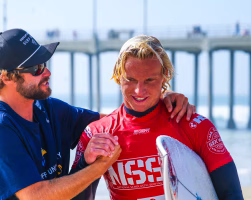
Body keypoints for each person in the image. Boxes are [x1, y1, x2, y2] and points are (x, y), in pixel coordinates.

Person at [0, 29, 195, 200]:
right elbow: (37, 196)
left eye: (45, 63)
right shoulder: (3, 128)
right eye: (36, 69)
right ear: (6, 77)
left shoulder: (49, 110)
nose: (47, 72)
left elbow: (123, 122)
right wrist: (97, 167)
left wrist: (160, 96)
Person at [72, 35, 244, 199]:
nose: (139, 90)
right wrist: (85, 165)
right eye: (130, 79)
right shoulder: (97, 134)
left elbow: (232, 194)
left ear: (165, 76)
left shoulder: (195, 125)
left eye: (149, 80)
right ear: (118, 77)